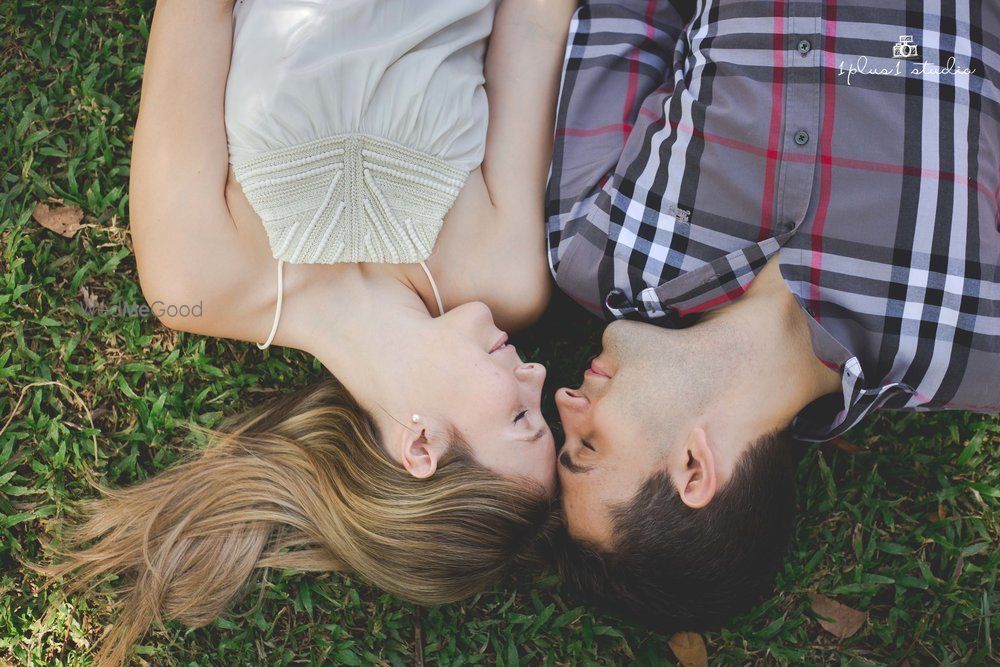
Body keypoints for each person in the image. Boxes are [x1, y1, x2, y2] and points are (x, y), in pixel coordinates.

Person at [41, 0, 574, 663]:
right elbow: (534, 24)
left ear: (421, 445)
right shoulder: (506, 274)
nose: (538, 374)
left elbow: (195, 13)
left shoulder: (195, 281)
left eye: (523, 416)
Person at [545, 0, 999, 632]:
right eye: (588, 445)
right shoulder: (973, 343)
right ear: (693, 469)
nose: (565, 400)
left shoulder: (594, 250)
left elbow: (624, 14)